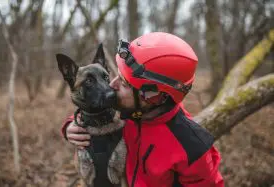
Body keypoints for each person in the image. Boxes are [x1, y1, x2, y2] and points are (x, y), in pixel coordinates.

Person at [61, 32, 224, 187]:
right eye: (116, 75)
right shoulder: (128, 112)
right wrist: (69, 126)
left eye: (124, 83)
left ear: (153, 96)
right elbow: (93, 111)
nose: (112, 85)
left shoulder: (191, 147)